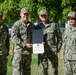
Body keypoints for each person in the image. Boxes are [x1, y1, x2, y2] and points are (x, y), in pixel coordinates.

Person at [35, 9, 62, 75]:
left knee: (54, 71)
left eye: (45, 15)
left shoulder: (54, 25)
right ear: (39, 17)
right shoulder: (37, 27)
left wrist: (58, 47)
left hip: (52, 51)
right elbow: (35, 39)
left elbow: (60, 38)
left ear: (48, 16)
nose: (43, 16)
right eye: (42, 15)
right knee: (43, 71)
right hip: (42, 52)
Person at [11, 7, 35, 75]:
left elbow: (35, 37)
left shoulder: (32, 25)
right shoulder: (17, 24)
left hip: (28, 53)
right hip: (19, 53)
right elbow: (14, 37)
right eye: (24, 14)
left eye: (27, 14)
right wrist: (24, 44)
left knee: (27, 71)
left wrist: (36, 44)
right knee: (17, 72)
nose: (26, 16)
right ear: (20, 14)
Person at [0, 10, 9, 75]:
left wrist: (8, 50)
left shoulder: (5, 27)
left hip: (3, 53)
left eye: (1, 16)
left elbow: (7, 40)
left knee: (3, 71)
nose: (0, 17)